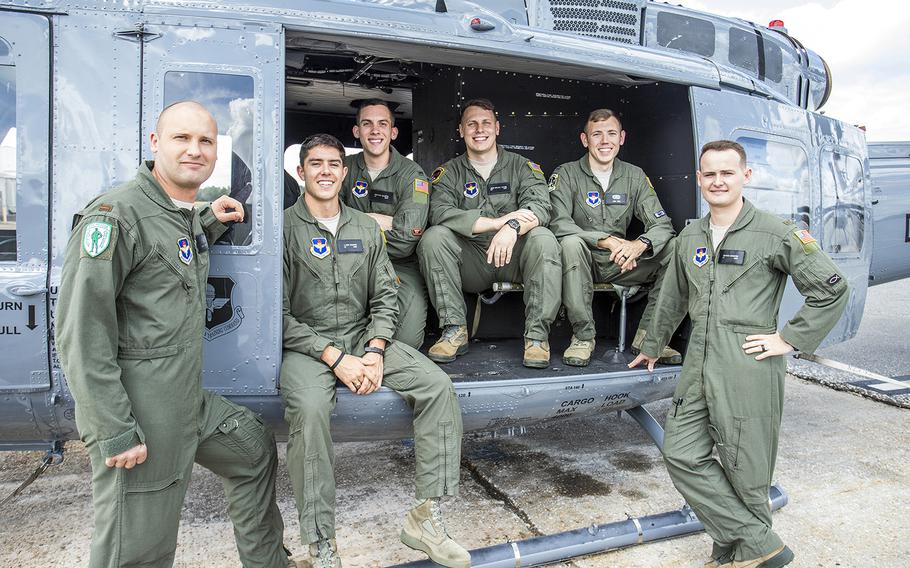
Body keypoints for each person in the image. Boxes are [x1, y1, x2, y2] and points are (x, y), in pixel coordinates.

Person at [55, 101, 290, 568]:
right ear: (155, 144)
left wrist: (206, 217)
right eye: (182, 138)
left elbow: (170, 249)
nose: (195, 150)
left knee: (252, 446)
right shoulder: (114, 217)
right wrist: (115, 431)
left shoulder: (177, 213)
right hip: (142, 411)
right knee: (138, 550)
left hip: (188, 401)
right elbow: (80, 336)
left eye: (205, 141)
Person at [629, 140, 850, 568]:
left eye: (727, 173)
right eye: (709, 174)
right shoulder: (690, 235)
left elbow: (832, 288)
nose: (717, 181)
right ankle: (758, 544)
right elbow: (671, 296)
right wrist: (651, 345)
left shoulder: (776, 232)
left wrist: (789, 338)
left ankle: (731, 552)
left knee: (745, 470)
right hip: (698, 363)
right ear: (699, 179)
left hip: (748, 363)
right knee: (680, 452)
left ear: (745, 177)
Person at [281, 134, 469, 568]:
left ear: (345, 174)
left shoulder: (365, 227)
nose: (325, 171)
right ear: (301, 172)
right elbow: (278, 314)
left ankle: (426, 517)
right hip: (307, 346)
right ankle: (321, 544)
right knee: (309, 412)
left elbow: (386, 295)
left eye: (333, 164)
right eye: (316, 164)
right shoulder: (286, 229)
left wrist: (376, 348)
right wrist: (335, 357)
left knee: (437, 385)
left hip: (362, 337)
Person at [417, 98, 561, 368]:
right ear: (461, 130)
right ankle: (454, 331)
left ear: (497, 128)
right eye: (471, 124)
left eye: (485, 123)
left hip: (514, 257)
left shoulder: (522, 167)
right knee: (433, 237)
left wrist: (512, 227)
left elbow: (541, 206)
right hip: (472, 260)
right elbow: (438, 212)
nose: (479, 129)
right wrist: (497, 223)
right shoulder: (448, 173)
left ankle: (537, 338)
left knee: (544, 238)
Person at [549, 109, 681, 367]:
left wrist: (638, 245)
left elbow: (662, 225)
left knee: (675, 248)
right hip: (581, 261)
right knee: (571, 243)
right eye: (596, 134)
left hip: (621, 262)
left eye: (611, 133)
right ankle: (583, 338)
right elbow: (558, 223)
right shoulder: (566, 174)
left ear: (622, 138)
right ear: (585, 140)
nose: (604, 141)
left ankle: (649, 338)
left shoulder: (634, 175)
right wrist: (605, 240)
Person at [341, 99, 430, 349]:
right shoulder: (342, 169)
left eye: (382, 124)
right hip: (348, 263)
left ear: (393, 132)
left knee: (406, 343)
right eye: (367, 124)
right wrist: (379, 221)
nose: (375, 130)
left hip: (398, 266)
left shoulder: (412, 175)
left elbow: (405, 240)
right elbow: (324, 222)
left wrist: (351, 222)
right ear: (357, 132)